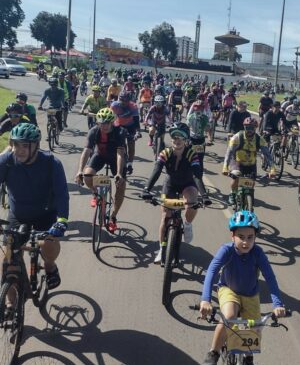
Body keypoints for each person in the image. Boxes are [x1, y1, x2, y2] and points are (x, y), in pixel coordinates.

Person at [199, 210, 286, 365]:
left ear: (255, 237)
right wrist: (205, 299)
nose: (245, 242)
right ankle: (213, 354)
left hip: (250, 294)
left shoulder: (258, 253)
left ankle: (248, 360)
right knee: (229, 316)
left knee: (254, 326)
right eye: (241, 236)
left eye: (250, 237)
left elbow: (270, 277)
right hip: (228, 290)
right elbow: (211, 271)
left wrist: (277, 304)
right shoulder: (226, 250)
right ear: (232, 236)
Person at [0, 123, 69, 290]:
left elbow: (62, 195)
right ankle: (9, 307)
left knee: (48, 245)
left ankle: (50, 266)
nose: (19, 150)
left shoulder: (52, 163)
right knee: (9, 262)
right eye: (16, 144)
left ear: (36, 146)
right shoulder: (6, 161)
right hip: (18, 214)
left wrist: (61, 220)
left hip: (44, 214)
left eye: (25, 145)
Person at [141, 123, 202, 264]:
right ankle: (162, 249)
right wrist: (146, 189)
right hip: (170, 184)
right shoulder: (165, 153)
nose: (177, 140)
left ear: (186, 140)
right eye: (174, 136)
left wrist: (204, 196)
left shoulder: (192, 154)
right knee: (165, 216)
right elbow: (156, 171)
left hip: (187, 184)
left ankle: (187, 224)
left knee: (192, 203)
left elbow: (198, 177)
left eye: (181, 137)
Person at [75, 109, 127, 234]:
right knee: (87, 175)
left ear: (112, 122)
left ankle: (113, 216)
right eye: (101, 123)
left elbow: (120, 153)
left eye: (106, 123)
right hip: (100, 155)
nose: (103, 126)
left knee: (121, 185)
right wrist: (80, 171)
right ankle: (95, 193)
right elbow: (87, 151)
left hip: (116, 158)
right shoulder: (94, 131)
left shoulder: (120, 132)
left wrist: (119, 173)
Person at [223, 117, 274, 205]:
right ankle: (232, 194)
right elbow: (229, 153)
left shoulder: (259, 139)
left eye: (251, 128)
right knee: (236, 177)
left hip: (251, 164)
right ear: (244, 127)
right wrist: (225, 167)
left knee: (252, 183)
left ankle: (249, 202)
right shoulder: (237, 137)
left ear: (255, 128)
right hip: (237, 162)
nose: (249, 130)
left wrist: (272, 169)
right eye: (247, 127)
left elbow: (268, 155)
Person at [186, 97, 212, 197]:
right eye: (197, 109)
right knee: (188, 159)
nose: (199, 110)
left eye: (201, 109)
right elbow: (188, 127)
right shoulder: (191, 117)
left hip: (200, 141)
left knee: (200, 161)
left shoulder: (204, 118)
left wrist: (209, 137)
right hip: (192, 140)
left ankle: (199, 181)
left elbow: (208, 128)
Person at [110, 92, 141, 174]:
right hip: (119, 125)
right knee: (118, 144)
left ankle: (130, 164)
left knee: (131, 145)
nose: (123, 102)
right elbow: (111, 119)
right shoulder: (114, 105)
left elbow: (136, 120)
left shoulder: (133, 106)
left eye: (125, 100)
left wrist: (138, 132)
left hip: (131, 126)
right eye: (121, 100)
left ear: (129, 101)